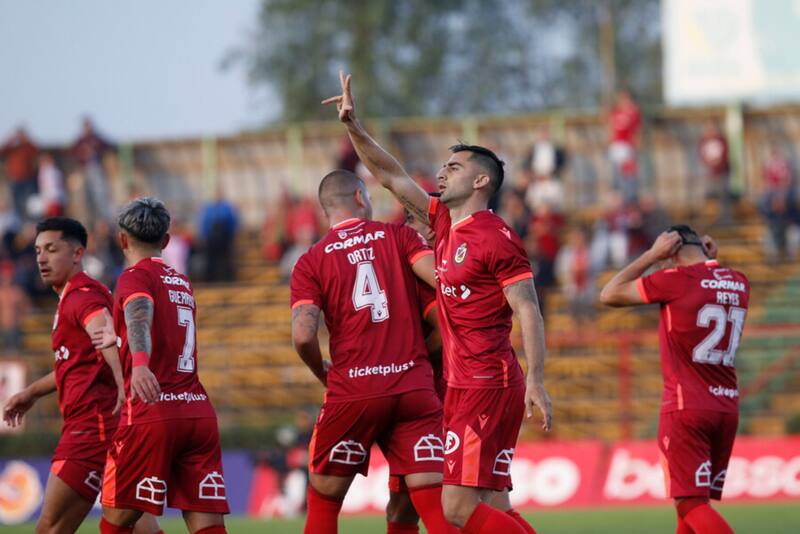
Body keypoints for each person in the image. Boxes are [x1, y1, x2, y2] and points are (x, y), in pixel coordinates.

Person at [324, 72, 551, 534]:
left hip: (486, 384)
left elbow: (528, 307)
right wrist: (354, 126)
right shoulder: (445, 221)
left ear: (482, 180)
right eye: (445, 166)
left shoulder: (497, 237)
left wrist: (538, 381)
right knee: (495, 504)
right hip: (467, 384)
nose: (444, 171)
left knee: (456, 509)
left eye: (457, 166)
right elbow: (389, 175)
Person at [290, 170, 455, 534]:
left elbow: (303, 336)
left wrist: (324, 373)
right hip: (413, 390)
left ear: (324, 210)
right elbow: (444, 289)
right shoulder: (400, 237)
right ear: (362, 198)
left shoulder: (311, 261)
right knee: (432, 506)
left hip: (353, 392)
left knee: (323, 504)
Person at [1, 217, 159, 534]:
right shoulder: (73, 296)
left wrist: (120, 382)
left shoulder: (83, 296)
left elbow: (107, 336)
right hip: (106, 428)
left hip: (91, 432)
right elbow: (74, 364)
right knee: (139, 528)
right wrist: (30, 393)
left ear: (76, 253)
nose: (41, 258)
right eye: (37, 251)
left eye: (51, 249)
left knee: (50, 529)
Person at [600, 225, 749, 534]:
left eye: (665, 258)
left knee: (689, 504)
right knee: (692, 503)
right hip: (726, 407)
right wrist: (708, 257)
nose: (663, 266)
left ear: (671, 251)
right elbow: (710, 278)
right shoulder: (739, 282)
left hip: (686, 407)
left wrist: (651, 255)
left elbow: (609, 293)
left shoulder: (675, 281)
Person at [92, 198, 229, 533]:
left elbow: (140, 311)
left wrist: (139, 364)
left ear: (122, 240)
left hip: (154, 410)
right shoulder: (182, 281)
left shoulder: (134, 277)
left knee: (116, 518)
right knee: (206, 523)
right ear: (166, 242)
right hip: (197, 412)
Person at [198, 187, 239, 282]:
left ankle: (226, 279)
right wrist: (204, 236)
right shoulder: (208, 208)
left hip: (224, 238)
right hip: (211, 239)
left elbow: (232, 223)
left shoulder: (227, 207)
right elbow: (204, 224)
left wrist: (232, 236)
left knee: (225, 260)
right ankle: (211, 279)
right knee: (211, 260)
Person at [0, 127, 39, 220]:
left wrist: (28, 140)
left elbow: (37, 150)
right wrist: (11, 139)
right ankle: (19, 221)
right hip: (15, 179)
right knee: (16, 202)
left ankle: (30, 222)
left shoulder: (28, 146)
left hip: (28, 178)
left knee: (29, 203)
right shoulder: (11, 147)